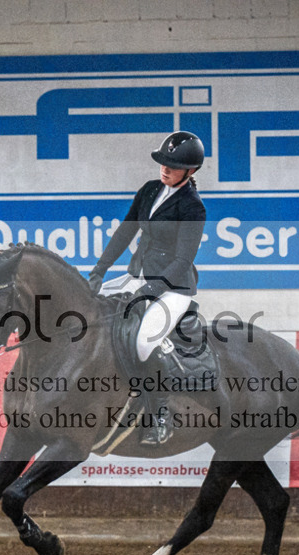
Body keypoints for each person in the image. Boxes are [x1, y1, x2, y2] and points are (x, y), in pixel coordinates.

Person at [87, 131, 207, 447]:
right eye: (163, 163)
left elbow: (183, 260)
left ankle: (160, 414)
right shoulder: (150, 190)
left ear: (190, 171)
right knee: (89, 312)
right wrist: (98, 271)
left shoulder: (193, 207)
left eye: (173, 165)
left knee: (142, 340)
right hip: (136, 278)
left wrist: (151, 289)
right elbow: (125, 232)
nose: (165, 169)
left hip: (174, 288)